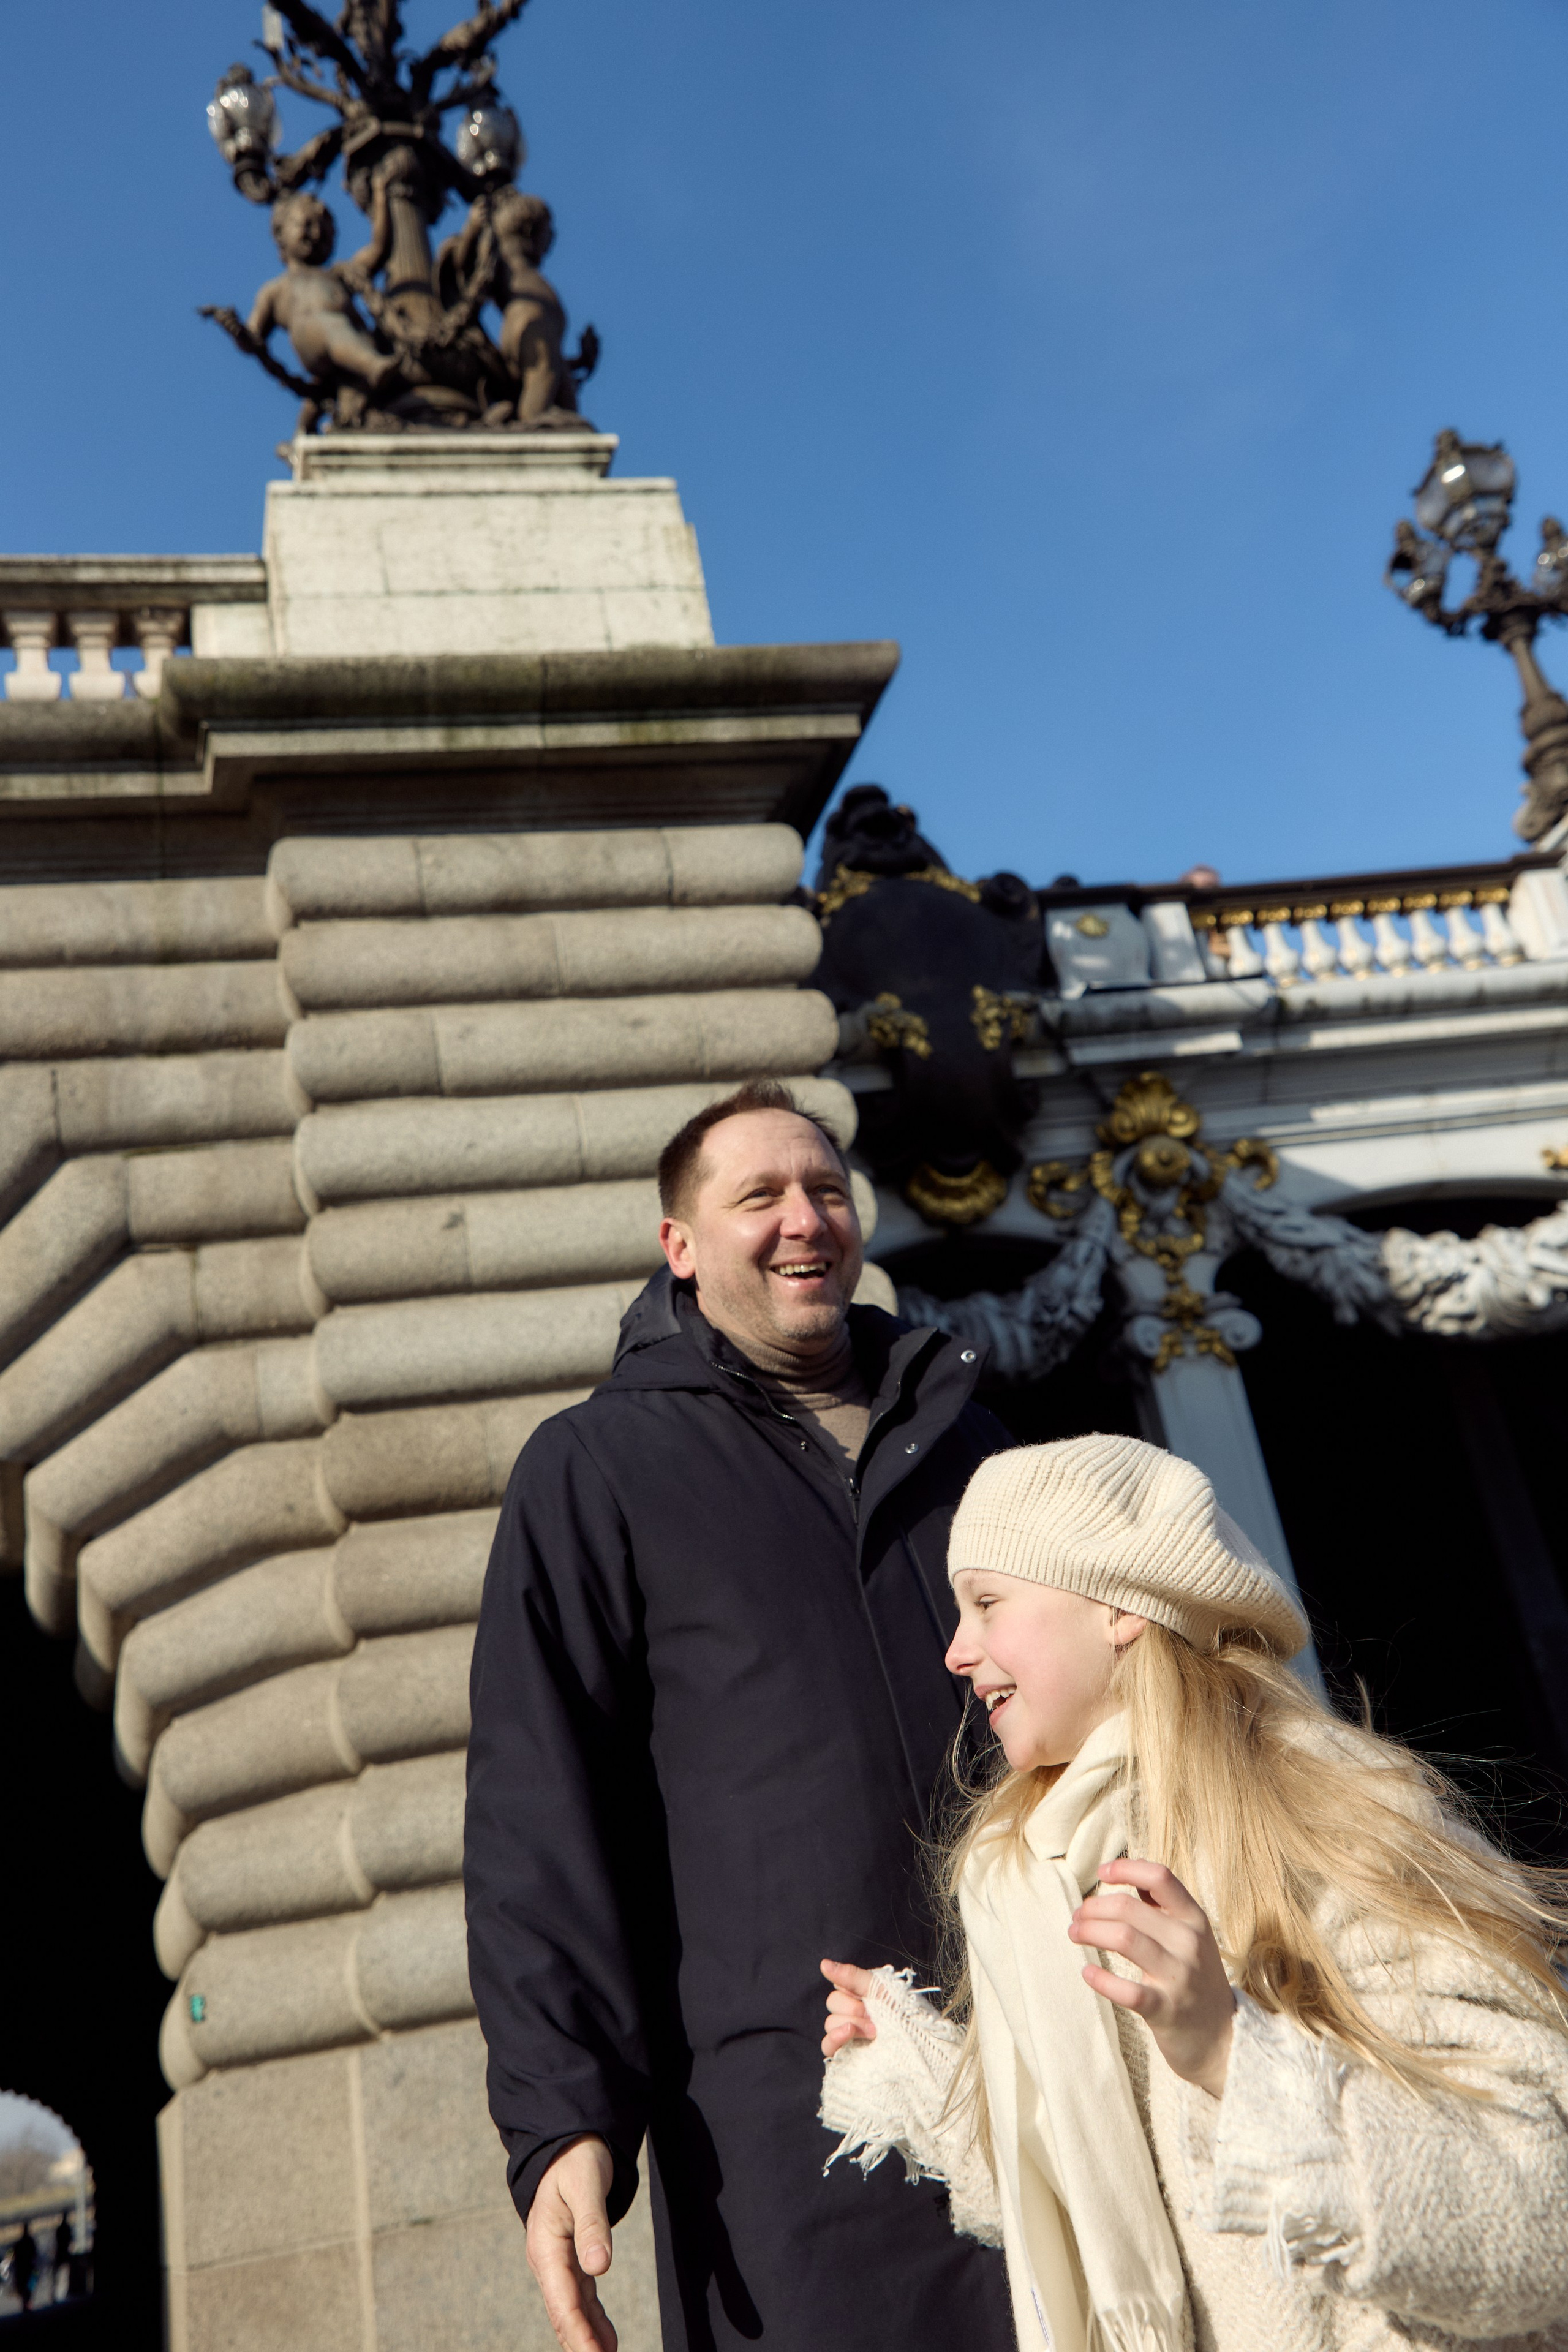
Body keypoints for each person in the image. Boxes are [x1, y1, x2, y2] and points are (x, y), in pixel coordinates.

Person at [465, 1080, 1016, 2352]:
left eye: (823, 1190)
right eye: (757, 1196)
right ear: (680, 1245)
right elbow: (539, 1820)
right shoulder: (593, 1467)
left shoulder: (974, 1441)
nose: (802, 1220)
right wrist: (562, 2121)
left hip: (1037, 2044)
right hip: (787, 2118)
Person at [820, 1434, 1568, 2352]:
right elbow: (1118, 2194)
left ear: (1120, 1607)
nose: (956, 1652)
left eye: (987, 1603)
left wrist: (1225, 2050)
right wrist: (923, 2075)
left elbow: (1542, 2206)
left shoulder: (1328, 1813)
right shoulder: (1025, 1872)